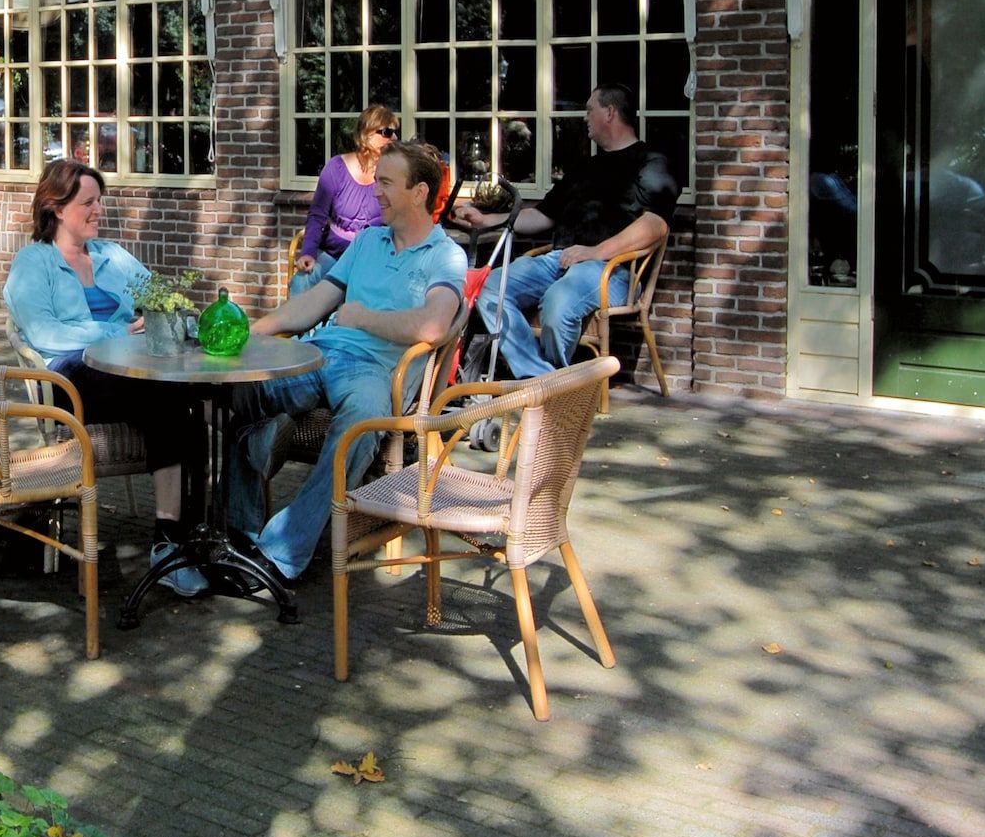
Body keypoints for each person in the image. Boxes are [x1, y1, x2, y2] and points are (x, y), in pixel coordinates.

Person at [227, 140, 468, 582]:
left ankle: (279, 552)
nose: (375, 191)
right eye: (377, 181)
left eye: (387, 183)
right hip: (322, 353)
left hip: (377, 373)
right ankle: (238, 537)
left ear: (418, 192)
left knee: (358, 426)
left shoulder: (446, 255)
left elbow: (434, 326)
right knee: (238, 390)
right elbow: (316, 300)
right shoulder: (367, 242)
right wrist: (251, 330)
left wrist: (364, 317)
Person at [3, 160, 206, 598]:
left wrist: (189, 323)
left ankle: (183, 537)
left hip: (129, 374)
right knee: (169, 396)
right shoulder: (33, 262)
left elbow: (161, 297)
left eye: (101, 200)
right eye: (88, 202)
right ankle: (172, 545)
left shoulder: (111, 255)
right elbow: (45, 333)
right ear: (56, 207)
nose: (100, 210)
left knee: (194, 398)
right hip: (71, 380)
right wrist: (116, 331)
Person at [449, 83, 679, 380]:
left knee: (559, 300)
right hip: (558, 260)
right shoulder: (585, 168)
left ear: (609, 113)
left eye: (589, 110)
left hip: (612, 269)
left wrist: (594, 252)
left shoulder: (652, 163)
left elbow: (655, 225)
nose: (585, 118)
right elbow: (542, 216)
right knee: (489, 286)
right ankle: (540, 378)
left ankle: (551, 384)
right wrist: (486, 219)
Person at [289, 104, 399, 295]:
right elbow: (317, 215)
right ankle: (297, 325)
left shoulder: (392, 173)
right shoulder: (336, 168)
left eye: (395, 132)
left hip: (372, 260)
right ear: (367, 134)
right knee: (301, 282)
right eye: (387, 132)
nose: (395, 138)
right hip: (334, 255)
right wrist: (308, 252)